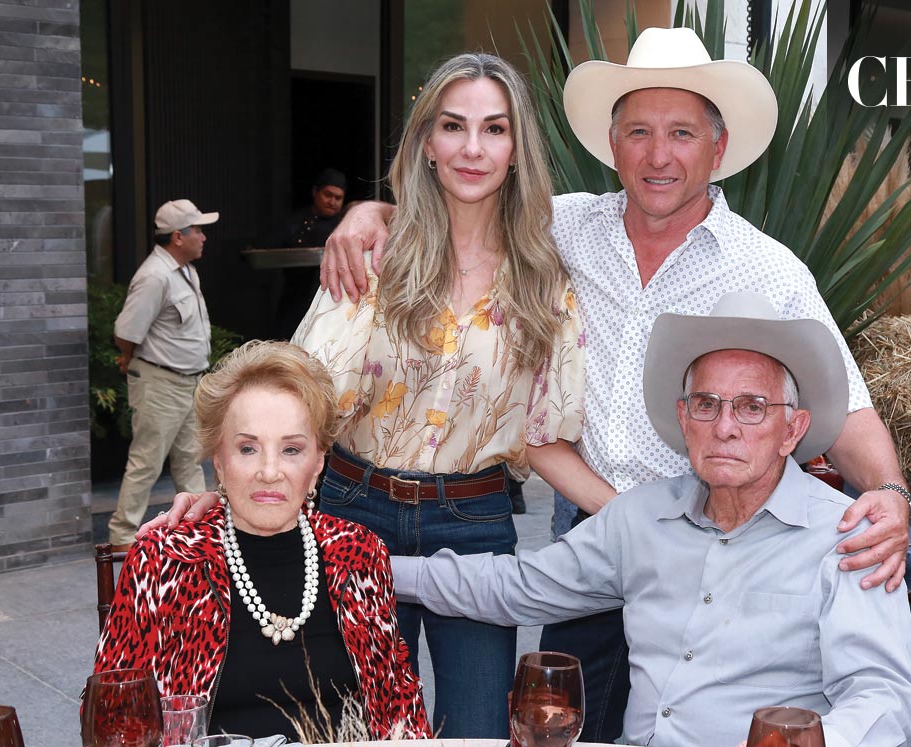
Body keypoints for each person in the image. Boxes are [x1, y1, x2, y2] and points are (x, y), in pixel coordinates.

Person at [319, 28, 911, 741]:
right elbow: (458, 210)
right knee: (572, 719)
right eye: (638, 131)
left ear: (717, 149)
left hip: (719, 528)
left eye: (681, 133)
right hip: (597, 534)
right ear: (612, 142)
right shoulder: (559, 227)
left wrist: (889, 494)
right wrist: (366, 215)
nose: (658, 155)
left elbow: (846, 409)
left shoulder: (770, 270)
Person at [146, 53, 585, 738]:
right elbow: (298, 395)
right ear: (426, 145)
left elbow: (540, 435)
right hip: (355, 514)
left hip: (474, 526)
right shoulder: (371, 251)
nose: (473, 147)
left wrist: (649, 519)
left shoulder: (542, 277)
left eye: (494, 129)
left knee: (476, 730)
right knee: (355, 728)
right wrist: (235, 483)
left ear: (517, 148)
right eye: (453, 126)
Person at [392, 292, 911, 747]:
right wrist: (374, 567)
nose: (725, 427)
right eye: (707, 404)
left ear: (793, 430)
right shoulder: (641, 518)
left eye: (752, 407)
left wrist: (810, 740)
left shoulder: (849, 535)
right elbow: (516, 587)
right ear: (683, 419)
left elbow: (885, 696)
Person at [94, 341, 431, 740]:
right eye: (248, 448)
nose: (269, 472)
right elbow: (111, 716)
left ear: (319, 461)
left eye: (291, 449)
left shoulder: (358, 552)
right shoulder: (166, 559)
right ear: (218, 459)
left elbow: (400, 704)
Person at [107, 199, 217, 551]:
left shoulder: (183, 269)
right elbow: (126, 331)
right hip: (160, 382)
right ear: (177, 236)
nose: (203, 237)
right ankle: (123, 536)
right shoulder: (155, 276)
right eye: (197, 230)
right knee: (146, 461)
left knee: (190, 458)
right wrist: (130, 360)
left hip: (189, 382)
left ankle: (202, 528)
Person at [271, 169, 348, 339]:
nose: (332, 202)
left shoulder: (347, 225)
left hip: (332, 298)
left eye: (338, 198)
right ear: (315, 192)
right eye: (328, 195)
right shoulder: (294, 222)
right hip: (296, 297)